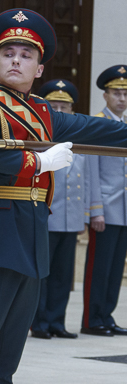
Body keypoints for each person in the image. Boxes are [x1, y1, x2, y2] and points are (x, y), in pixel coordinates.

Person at [0, 8, 127, 384]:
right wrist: (39, 160)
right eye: (8, 53)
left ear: (38, 70)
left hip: (32, 243)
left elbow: (100, 131)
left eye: (26, 54)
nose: (16, 59)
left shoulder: (44, 112)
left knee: (6, 360)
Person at [30, 79, 86, 340]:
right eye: (55, 107)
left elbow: (87, 180)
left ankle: (57, 321)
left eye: (65, 106)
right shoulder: (39, 138)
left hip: (70, 217)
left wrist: (85, 213)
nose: (60, 112)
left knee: (64, 275)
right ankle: (39, 322)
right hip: (48, 215)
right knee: (43, 272)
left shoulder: (80, 139)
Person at [82, 65, 127, 337]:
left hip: (123, 210)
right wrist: (95, 210)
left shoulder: (124, 126)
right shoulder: (99, 123)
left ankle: (106, 315)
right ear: (105, 95)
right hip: (106, 209)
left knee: (114, 268)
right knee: (98, 267)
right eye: (116, 93)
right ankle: (92, 318)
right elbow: (92, 171)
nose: (121, 98)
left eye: (124, 93)